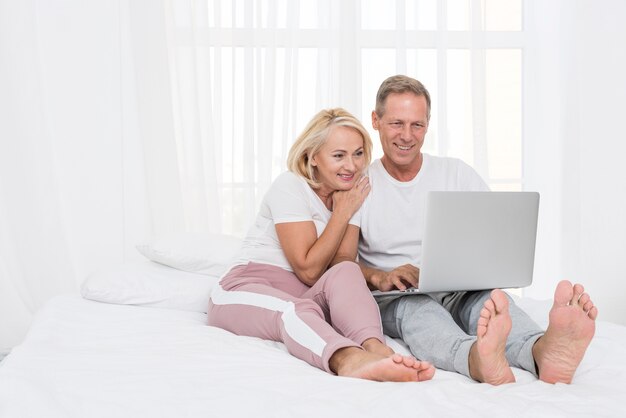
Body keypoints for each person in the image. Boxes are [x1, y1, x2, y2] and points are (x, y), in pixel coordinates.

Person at [358, 75, 598, 385]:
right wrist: (381, 276)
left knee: (492, 303)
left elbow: (493, 230)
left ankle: (542, 351)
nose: (407, 135)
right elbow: (340, 263)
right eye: (396, 123)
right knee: (421, 315)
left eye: (417, 125)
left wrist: (477, 268)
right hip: (396, 297)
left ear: (428, 124)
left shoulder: (454, 172)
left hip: (458, 287)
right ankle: (477, 358)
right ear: (375, 121)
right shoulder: (361, 182)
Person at [208, 108, 435, 383]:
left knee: (347, 274)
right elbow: (309, 270)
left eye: (358, 154)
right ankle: (349, 359)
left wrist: (377, 275)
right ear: (313, 157)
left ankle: (377, 349)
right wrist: (341, 213)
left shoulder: (352, 194)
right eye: (339, 155)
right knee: (296, 310)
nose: (351, 166)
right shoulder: (290, 186)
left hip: (303, 293)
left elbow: (342, 264)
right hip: (244, 286)